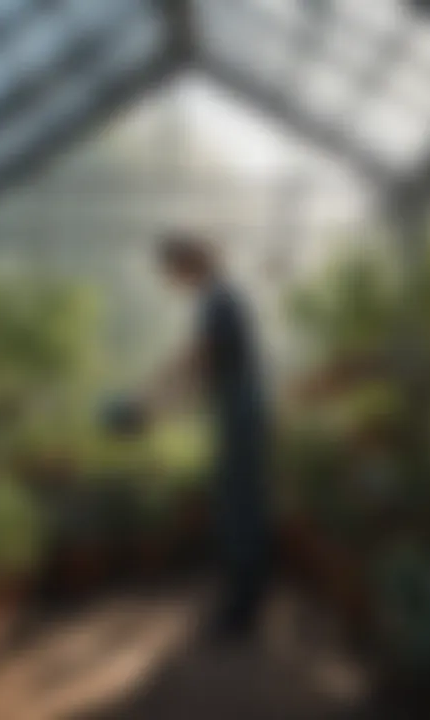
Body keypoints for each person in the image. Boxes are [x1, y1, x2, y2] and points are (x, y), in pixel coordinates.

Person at [142, 230, 271, 641]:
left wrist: (149, 397)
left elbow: (196, 357)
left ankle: (242, 613)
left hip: (241, 416)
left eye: (171, 270)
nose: (171, 280)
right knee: (238, 506)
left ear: (186, 263)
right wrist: (164, 406)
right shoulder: (218, 297)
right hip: (238, 412)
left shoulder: (218, 299)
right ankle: (241, 604)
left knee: (240, 510)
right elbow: (207, 371)